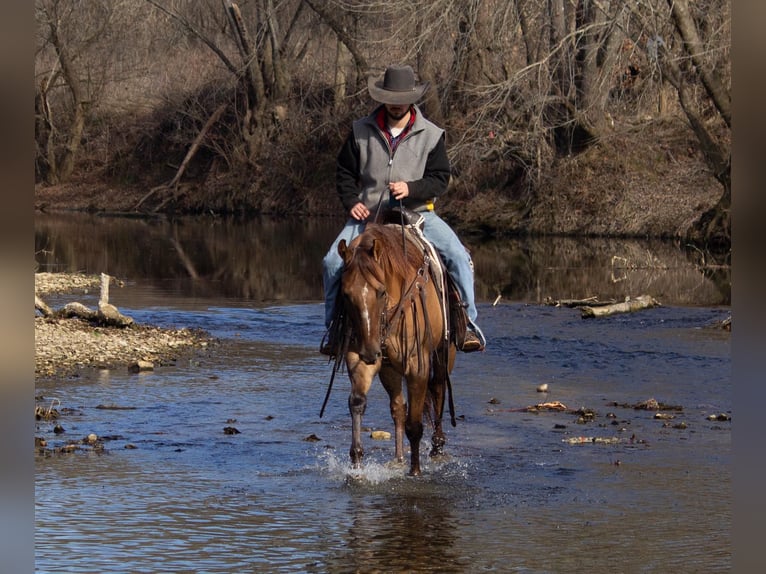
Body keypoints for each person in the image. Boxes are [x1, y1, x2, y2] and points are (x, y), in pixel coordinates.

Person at [321, 64, 486, 354]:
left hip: (419, 215)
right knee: (331, 263)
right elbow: (344, 173)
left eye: (402, 99)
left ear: (412, 99)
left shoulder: (432, 135)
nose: (396, 105)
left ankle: (467, 326)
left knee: (458, 256)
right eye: (391, 99)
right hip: (369, 215)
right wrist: (352, 202)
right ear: (382, 98)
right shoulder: (360, 131)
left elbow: (440, 179)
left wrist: (411, 189)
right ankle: (335, 329)